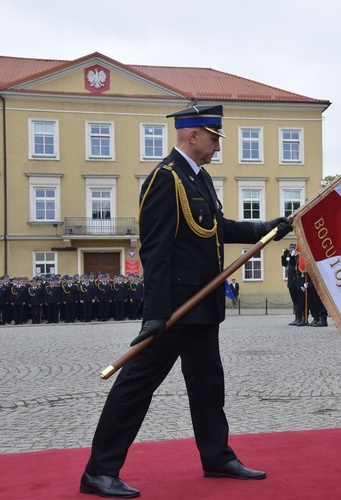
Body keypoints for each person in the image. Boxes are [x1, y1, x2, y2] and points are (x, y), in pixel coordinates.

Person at [80, 105, 293, 498]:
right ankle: (99, 470)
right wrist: (156, 313)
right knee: (136, 386)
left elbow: (219, 229)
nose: (217, 146)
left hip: (202, 303)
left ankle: (217, 457)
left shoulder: (201, 179)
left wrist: (265, 228)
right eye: (213, 138)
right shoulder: (165, 179)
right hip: (175, 309)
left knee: (209, 384)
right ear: (191, 135)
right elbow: (155, 250)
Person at [281, 243, 305, 326]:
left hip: (296, 281)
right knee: (295, 301)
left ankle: (301, 318)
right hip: (291, 281)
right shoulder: (289, 257)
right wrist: (284, 256)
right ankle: (296, 318)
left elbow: (295, 264)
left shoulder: (297, 257)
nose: (291, 251)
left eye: (292, 250)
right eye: (290, 250)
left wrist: (292, 256)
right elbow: (284, 264)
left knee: (299, 301)